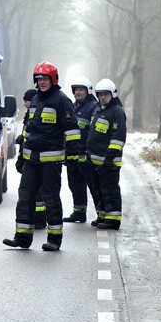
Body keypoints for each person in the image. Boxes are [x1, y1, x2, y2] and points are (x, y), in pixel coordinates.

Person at [3, 61, 80, 251]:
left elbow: (72, 131)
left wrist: (72, 156)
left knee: (50, 198)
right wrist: (21, 157)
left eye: (45, 78)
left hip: (50, 162)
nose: (42, 82)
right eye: (39, 78)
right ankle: (22, 237)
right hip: (31, 160)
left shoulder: (62, 101)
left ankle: (54, 239)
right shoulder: (35, 100)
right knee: (25, 197)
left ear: (53, 80)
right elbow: (28, 130)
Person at [87, 78, 126, 230]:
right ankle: (102, 215)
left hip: (109, 162)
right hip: (95, 162)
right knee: (99, 190)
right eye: (100, 94)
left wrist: (109, 159)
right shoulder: (98, 109)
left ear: (113, 94)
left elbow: (118, 137)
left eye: (105, 94)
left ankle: (113, 219)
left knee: (110, 190)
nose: (102, 97)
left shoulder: (117, 112)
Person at [63, 76, 99, 223]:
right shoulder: (74, 106)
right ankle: (79, 212)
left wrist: (87, 151)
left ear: (88, 91)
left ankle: (101, 214)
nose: (78, 92)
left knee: (94, 186)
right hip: (73, 155)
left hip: (86, 155)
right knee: (75, 185)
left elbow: (94, 132)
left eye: (81, 90)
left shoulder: (93, 107)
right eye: (76, 90)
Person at [15, 89, 47, 228]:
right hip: (28, 156)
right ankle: (35, 220)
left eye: (26, 100)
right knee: (29, 193)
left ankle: (39, 220)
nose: (24, 104)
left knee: (38, 194)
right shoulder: (29, 114)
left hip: (36, 159)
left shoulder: (36, 113)